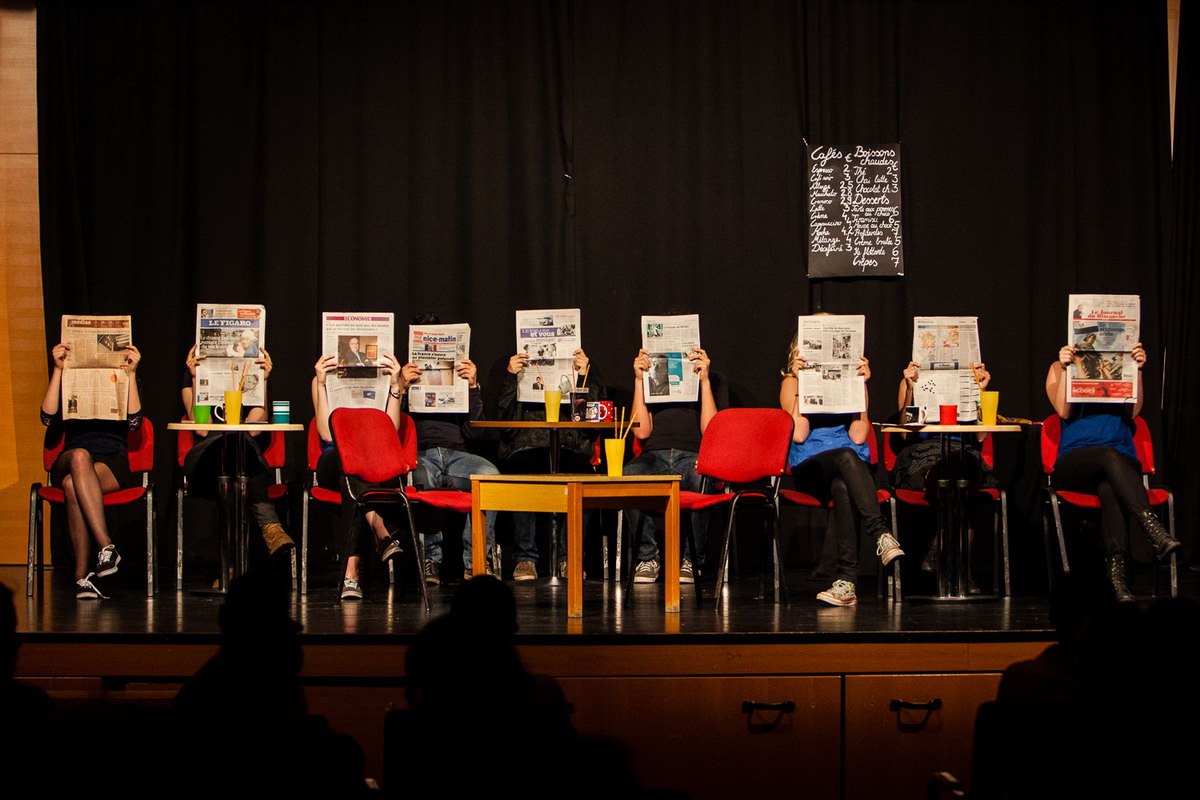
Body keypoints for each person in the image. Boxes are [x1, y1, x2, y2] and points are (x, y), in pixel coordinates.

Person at [1045, 340, 1179, 601]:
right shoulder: (1057, 367)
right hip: (1076, 461)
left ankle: (1118, 582)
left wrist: (1137, 369)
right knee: (1107, 455)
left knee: (1109, 487)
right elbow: (1063, 411)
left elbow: (1133, 412)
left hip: (1121, 458)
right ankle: (1151, 527)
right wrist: (1066, 367)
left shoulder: (1120, 365)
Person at [781, 338, 903, 606]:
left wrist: (860, 386)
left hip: (850, 472)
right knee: (846, 456)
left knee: (842, 485)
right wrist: (802, 382)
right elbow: (799, 434)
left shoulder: (850, 382)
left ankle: (846, 583)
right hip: (811, 469)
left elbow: (858, 436)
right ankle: (881, 533)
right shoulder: (790, 383)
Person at [39, 340, 143, 598]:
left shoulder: (122, 378)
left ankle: (81, 577)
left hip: (111, 461)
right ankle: (106, 546)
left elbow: (134, 422)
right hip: (71, 456)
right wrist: (58, 369)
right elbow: (47, 417)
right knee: (80, 457)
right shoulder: (68, 378)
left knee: (71, 485)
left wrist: (131, 373)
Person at [404, 313, 499, 584]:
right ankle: (431, 559)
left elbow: (475, 431)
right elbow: (392, 426)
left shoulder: (458, 378)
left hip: (457, 455)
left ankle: (476, 561)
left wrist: (473, 386)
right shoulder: (405, 377)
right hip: (420, 453)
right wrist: (401, 387)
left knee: (490, 476)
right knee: (421, 478)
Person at [495, 348, 604, 580]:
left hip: (569, 446)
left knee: (583, 475)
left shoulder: (582, 369)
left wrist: (582, 377)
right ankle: (525, 558)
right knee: (522, 473)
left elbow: (591, 422)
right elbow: (504, 422)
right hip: (526, 445)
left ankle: (569, 557)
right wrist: (510, 376)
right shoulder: (518, 369)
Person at [182, 344, 295, 565]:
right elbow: (202, 428)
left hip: (243, 462)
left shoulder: (254, 373)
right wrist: (196, 378)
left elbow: (255, 428)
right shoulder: (191, 375)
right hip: (206, 460)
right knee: (237, 443)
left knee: (239, 448)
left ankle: (231, 568)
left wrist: (263, 380)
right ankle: (270, 525)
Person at [626, 346, 727, 584]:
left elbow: (711, 431)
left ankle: (692, 561)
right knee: (629, 474)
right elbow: (641, 432)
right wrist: (639, 381)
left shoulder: (712, 380)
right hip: (655, 457)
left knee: (702, 477)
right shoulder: (652, 377)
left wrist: (704, 382)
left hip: (693, 455)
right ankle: (647, 557)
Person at [312, 352, 407, 599]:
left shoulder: (386, 379)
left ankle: (350, 573)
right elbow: (326, 433)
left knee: (352, 477)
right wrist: (321, 383)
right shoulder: (322, 378)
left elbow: (391, 431)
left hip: (370, 461)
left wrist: (395, 386)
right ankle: (380, 530)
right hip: (334, 457)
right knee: (349, 464)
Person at [895, 360, 997, 578]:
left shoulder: (971, 379)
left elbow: (981, 436)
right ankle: (961, 575)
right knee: (956, 484)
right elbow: (904, 433)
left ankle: (938, 548)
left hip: (962, 451)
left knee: (960, 475)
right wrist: (910, 388)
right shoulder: (910, 379)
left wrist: (981, 390)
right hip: (923, 452)